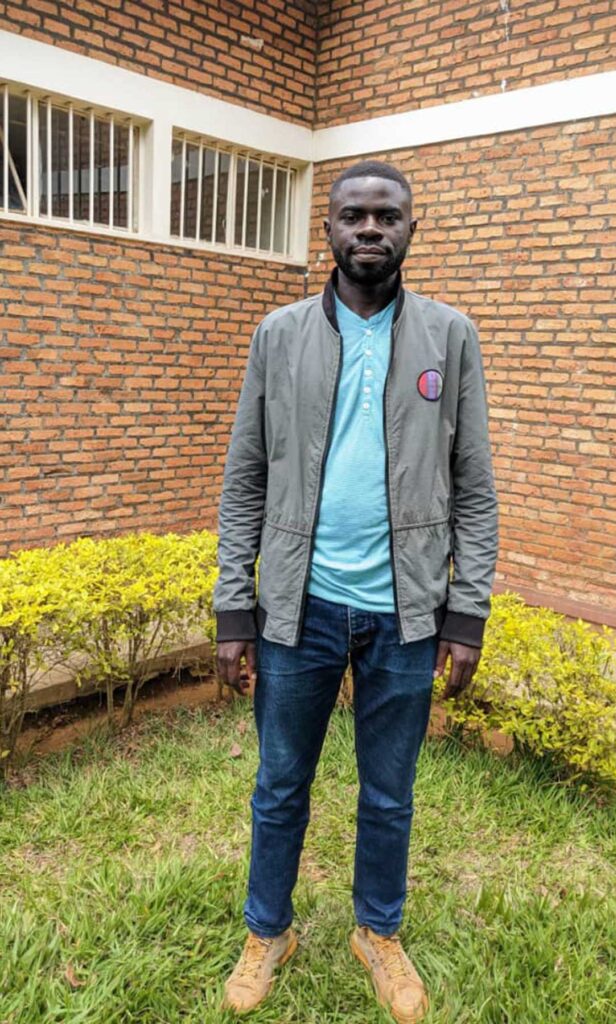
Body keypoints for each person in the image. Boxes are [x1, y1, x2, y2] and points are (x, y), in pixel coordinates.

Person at [214, 160, 498, 1022]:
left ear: (412, 227)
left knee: (389, 791)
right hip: (299, 606)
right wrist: (236, 606)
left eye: (387, 216)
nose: (369, 229)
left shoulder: (449, 336)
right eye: (352, 216)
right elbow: (245, 479)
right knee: (279, 783)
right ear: (327, 229)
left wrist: (467, 610)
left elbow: (474, 485)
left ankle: (377, 931)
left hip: (406, 612)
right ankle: (269, 930)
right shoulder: (280, 334)